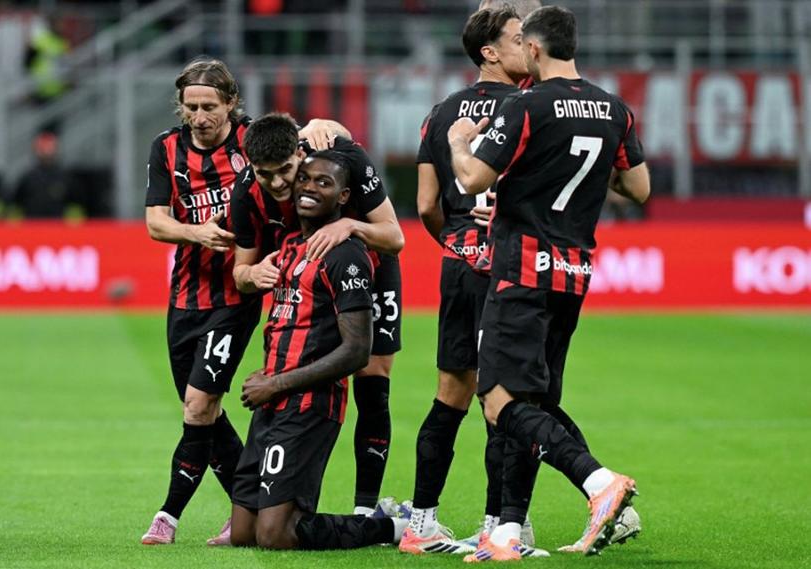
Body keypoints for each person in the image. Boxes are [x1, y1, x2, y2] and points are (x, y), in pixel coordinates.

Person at [448, 6, 650, 560]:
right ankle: (508, 533)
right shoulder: (614, 110)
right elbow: (639, 187)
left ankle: (599, 483)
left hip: (521, 270)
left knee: (497, 400)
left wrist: (460, 140)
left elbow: (471, 179)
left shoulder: (526, 105)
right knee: (534, 399)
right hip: (575, 272)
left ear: (534, 50)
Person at [141, 58, 348, 546]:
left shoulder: (255, 141)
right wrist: (196, 232)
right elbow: (154, 221)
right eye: (191, 107)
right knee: (202, 409)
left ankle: (168, 516)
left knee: (199, 402)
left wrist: (321, 125)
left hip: (239, 292)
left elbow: (308, 140)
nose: (199, 116)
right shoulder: (166, 149)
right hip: (186, 295)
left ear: (231, 104)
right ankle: (245, 506)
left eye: (209, 106)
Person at [399, 6, 545, 557]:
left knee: (449, 395)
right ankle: (498, 527)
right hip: (511, 266)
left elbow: (426, 205)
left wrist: (461, 246)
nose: (527, 46)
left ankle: (422, 523)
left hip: (459, 265)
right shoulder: (530, 106)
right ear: (489, 52)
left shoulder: (440, 114)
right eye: (515, 38)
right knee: (507, 400)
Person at [229, 152, 409, 550]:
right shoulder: (290, 245)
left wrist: (275, 384)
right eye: (305, 179)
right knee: (243, 535)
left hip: (308, 405)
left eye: (323, 183)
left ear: (344, 196)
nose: (309, 187)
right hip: (270, 402)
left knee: (275, 536)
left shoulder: (347, 256)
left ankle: (391, 526)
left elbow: (357, 352)